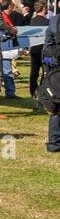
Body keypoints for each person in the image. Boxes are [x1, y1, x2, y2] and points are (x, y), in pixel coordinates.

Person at [42, 12, 60, 152]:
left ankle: (54, 143)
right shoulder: (55, 21)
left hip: (55, 68)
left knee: (57, 106)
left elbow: (47, 48)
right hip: (56, 66)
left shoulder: (54, 21)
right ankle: (54, 142)